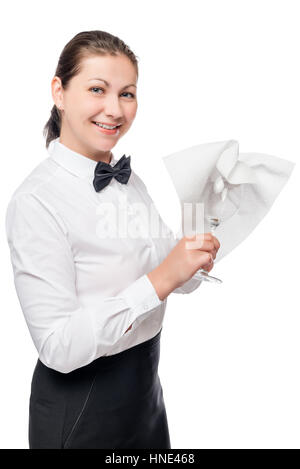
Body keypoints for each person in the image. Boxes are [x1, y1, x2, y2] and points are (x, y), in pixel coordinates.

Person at [5, 30, 220, 449]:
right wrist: (160, 279)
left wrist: (201, 228)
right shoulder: (35, 202)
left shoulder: (129, 181)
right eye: (97, 90)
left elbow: (181, 276)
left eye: (127, 94)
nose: (114, 109)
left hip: (145, 396)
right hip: (81, 409)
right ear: (59, 92)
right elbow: (58, 347)